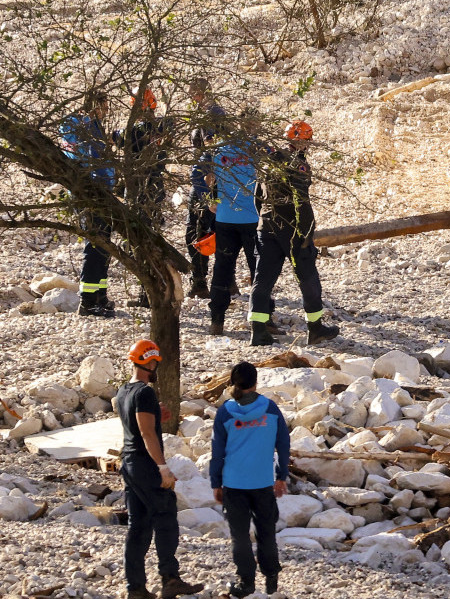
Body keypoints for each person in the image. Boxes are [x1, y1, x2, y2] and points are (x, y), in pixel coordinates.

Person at [116, 340, 204, 599]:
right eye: (155, 363)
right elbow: (146, 433)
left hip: (129, 464)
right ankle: (170, 578)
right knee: (165, 515)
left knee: (138, 525)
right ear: (149, 362)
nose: (156, 368)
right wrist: (163, 467)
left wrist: (156, 414)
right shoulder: (144, 392)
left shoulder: (123, 391)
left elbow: (136, 423)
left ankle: (136, 588)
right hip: (145, 464)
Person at [247, 121, 340, 347]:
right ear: (300, 141)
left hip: (266, 227)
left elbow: (257, 197)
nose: (307, 144)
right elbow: (302, 202)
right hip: (291, 229)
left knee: (262, 279)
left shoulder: (269, 162)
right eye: (306, 140)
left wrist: (263, 221)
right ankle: (315, 328)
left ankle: (258, 331)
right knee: (308, 278)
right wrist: (307, 234)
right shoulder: (297, 166)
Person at [210, 362, 290, 598]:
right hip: (263, 482)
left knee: (240, 535)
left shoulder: (225, 412)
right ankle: (271, 579)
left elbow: (217, 451)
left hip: (234, 484)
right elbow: (283, 444)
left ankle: (246, 582)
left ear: (233, 383)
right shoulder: (271, 409)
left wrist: (215, 482)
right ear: (256, 382)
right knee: (267, 532)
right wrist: (281, 475)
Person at [60, 90, 117, 317]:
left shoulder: (72, 124)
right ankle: (89, 301)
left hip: (86, 191)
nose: (106, 111)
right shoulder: (87, 126)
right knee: (96, 245)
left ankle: (99, 296)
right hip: (95, 193)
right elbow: (96, 159)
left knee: (101, 245)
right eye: (104, 105)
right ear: (96, 105)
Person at [120, 89, 175, 308]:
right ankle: (151, 290)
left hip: (139, 191)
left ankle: (149, 293)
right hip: (154, 188)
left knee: (140, 243)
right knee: (150, 239)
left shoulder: (133, 130)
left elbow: (123, 143)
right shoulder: (161, 127)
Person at [207, 140, 263, 336]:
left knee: (222, 268)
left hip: (225, 218)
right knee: (259, 270)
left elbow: (207, 178)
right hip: (252, 219)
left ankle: (217, 320)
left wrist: (211, 200)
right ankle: (262, 320)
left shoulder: (219, 150)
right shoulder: (258, 149)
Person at [185, 80, 227, 298]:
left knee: (198, 231)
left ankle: (200, 281)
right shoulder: (212, 112)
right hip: (207, 179)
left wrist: (209, 188)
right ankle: (224, 281)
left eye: (193, 93)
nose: (191, 97)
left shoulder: (211, 114)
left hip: (206, 181)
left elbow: (212, 147)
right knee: (209, 230)